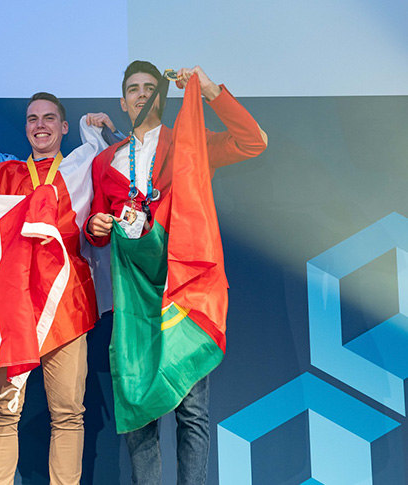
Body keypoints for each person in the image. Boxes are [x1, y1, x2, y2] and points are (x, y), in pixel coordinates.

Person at [0, 38, 116, 485]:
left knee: (69, 413)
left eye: (48, 118)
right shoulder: (2, 172)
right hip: (10, 306)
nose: (40, 125)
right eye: (32, 119)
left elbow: (135, 166)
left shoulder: (84, 166)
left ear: (64, 126)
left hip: (66, 305)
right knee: (1, 411)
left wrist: (106, 133)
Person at [85, 61, 268, 484]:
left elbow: (253, 142)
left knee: (192, 411)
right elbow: (98, 226)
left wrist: (207, 89)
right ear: (123, 100)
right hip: (135, 295)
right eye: (133, 88)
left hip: (185, 288)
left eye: (150, 87)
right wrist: (95, 226)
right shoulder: (105, 162)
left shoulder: (190, 143)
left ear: (161, 97)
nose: (142, 94)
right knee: (138, 405)